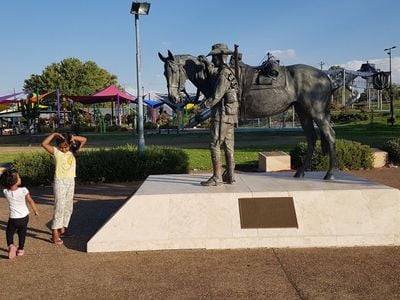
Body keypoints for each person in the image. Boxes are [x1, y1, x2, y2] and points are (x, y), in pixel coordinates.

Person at [200, 43, 239, 186]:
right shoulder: (229, 72)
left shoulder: (223, 74)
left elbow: (217, 95)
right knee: (229, 146)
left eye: (214, 57)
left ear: (220, 57)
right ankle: (230, 175)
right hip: (231, 115)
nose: (213, 60)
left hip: (221, 114)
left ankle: (217, 177)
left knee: (214, 144)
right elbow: (213, 72)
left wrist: (203, 105)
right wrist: (206, 63)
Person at [41, 132, 87, 244]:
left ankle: (63, 228)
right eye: (61, 147)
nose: (63, 150)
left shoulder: (73, 151)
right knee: (59, 206)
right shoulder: (56, 152)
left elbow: (84, 139)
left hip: (71, 181)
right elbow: (44, 144)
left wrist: (72, 138)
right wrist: (54, 134)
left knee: (68, 206)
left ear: (70, 145)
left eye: (65, 147)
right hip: (60, 181)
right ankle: (55, 232)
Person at [0, 169, 39, 259]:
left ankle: (11, 245)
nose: (20, 178)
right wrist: (35, 210)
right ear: (15, 181)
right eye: (18, 177)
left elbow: (6, 183)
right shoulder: (23, 190)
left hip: (13, 218)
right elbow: (30, 201)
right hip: (24, 217)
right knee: (22, 233)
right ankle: (20, 250)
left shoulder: (6, 192)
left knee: (9, 233)